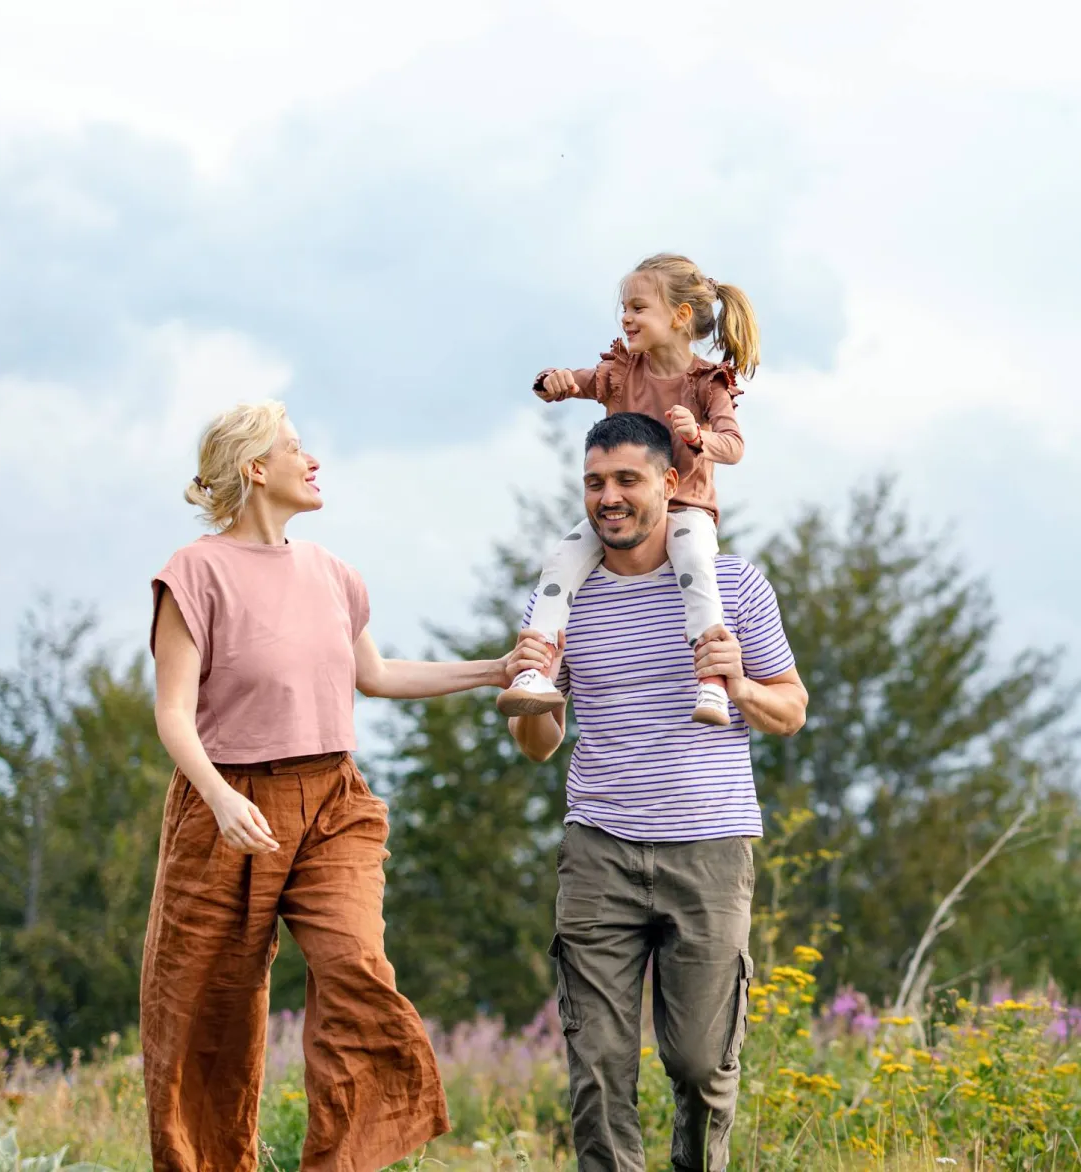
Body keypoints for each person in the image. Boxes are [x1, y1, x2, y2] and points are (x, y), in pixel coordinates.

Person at [141, 399, 549, 1172]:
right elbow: (172, 714)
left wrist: (493, 669)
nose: (312, 460)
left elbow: (378, 675)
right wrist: (221, 799)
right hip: (225, 805)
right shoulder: (194, 573)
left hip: (332, 800)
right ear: (256, 469)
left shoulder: (332, 572)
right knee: (206, 1014)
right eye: (296, 449)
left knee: (357, 970)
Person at [507, 412, 807, 1172]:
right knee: (599, 1067)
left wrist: (737, 680)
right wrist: (534, 694)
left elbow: (791, 710)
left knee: (702, 1063)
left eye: (626, 480)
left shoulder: (732, 584)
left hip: (709, 848)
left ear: (670, 485)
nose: (608, 497)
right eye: (594, 483)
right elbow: (539, 748)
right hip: (598, 848)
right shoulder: (560, 598)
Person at [497, 253, 761, 727]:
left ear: (679, 316)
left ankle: (713, 682)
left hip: (686, 507)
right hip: (625, 513)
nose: (626, 317)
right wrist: (553, 383)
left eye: (639, 308)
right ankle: (535, 671)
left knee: (697, 564)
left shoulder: (706, 383)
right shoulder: (623, 371)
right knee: (562, 559)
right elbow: (577, 382)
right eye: (625, 307)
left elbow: (734, 445)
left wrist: (699, 437)